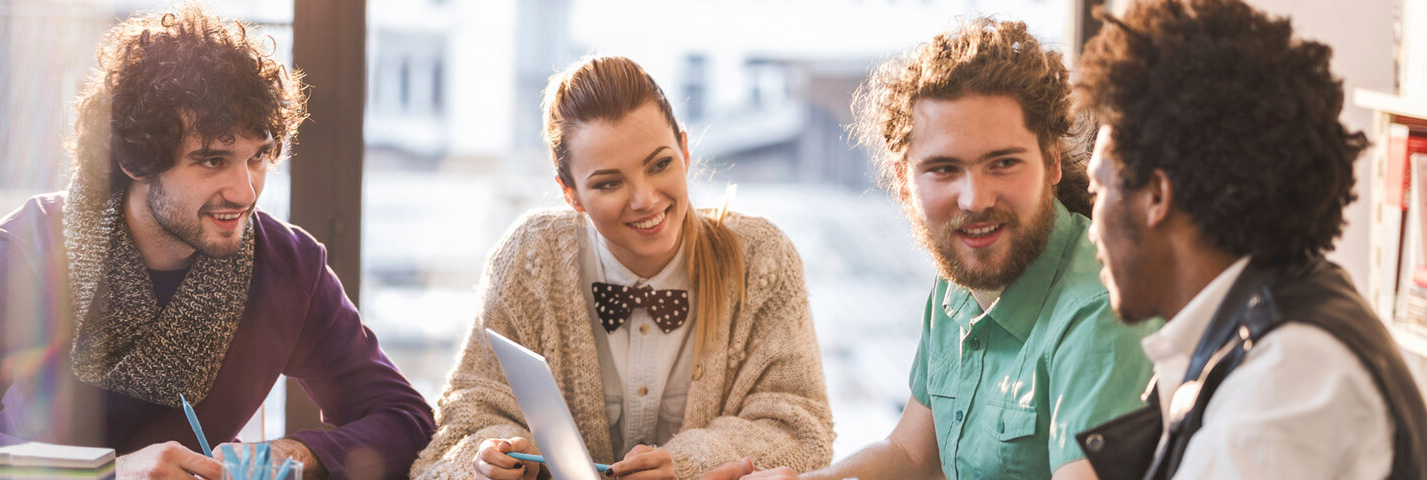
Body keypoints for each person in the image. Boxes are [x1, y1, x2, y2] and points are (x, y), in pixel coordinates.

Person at [0, 5, 435, 479]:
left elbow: (405, 419)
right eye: (212, 161)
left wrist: (296, 452)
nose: (245, 192)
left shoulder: (289, 268)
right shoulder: (20, 258)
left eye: (258, 157)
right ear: (135, 160)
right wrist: (108, 473)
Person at [706, 18, 1159, 480]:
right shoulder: (961, 277)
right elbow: (914, 454)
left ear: (1053, 161)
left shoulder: (1101, 311)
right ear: (904, 183)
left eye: (1003, 163)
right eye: (944, 169)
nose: (975, 200)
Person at [408, 56, 834, 480]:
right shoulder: (528, 259)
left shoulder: (764, 258)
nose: (644, 199)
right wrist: (492, 456)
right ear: (571, 193)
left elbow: (801, 429)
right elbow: (467, 415)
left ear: (684, 150)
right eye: (609, 183)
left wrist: (687, 465)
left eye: (660, 164)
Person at [1071, 0, 1427, 478]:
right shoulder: (1281, 316)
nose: (1092, 225)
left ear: (1156, 195)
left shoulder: (1282, 388)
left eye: (1098, 190)